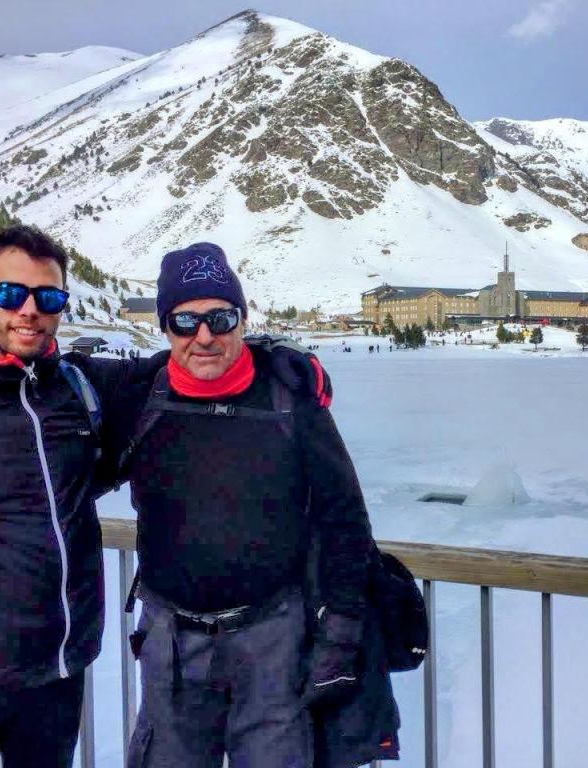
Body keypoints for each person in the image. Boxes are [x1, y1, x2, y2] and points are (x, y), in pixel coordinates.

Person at [0, 226, 328, 767]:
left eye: (50, 297)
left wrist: (270, 357)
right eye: (11, 294)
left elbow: (181, 358)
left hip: (57, 674)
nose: (30, 311)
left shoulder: (76, 388)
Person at [122, 243, 398, 768]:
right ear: (164, 326)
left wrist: (340, 631)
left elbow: (345, 519)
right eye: (185, 320)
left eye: (220, 318)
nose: (204, 335)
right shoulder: (137, 396)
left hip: (273, 643)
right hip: (171, 644)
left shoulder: (289, 399)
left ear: (242, 320)